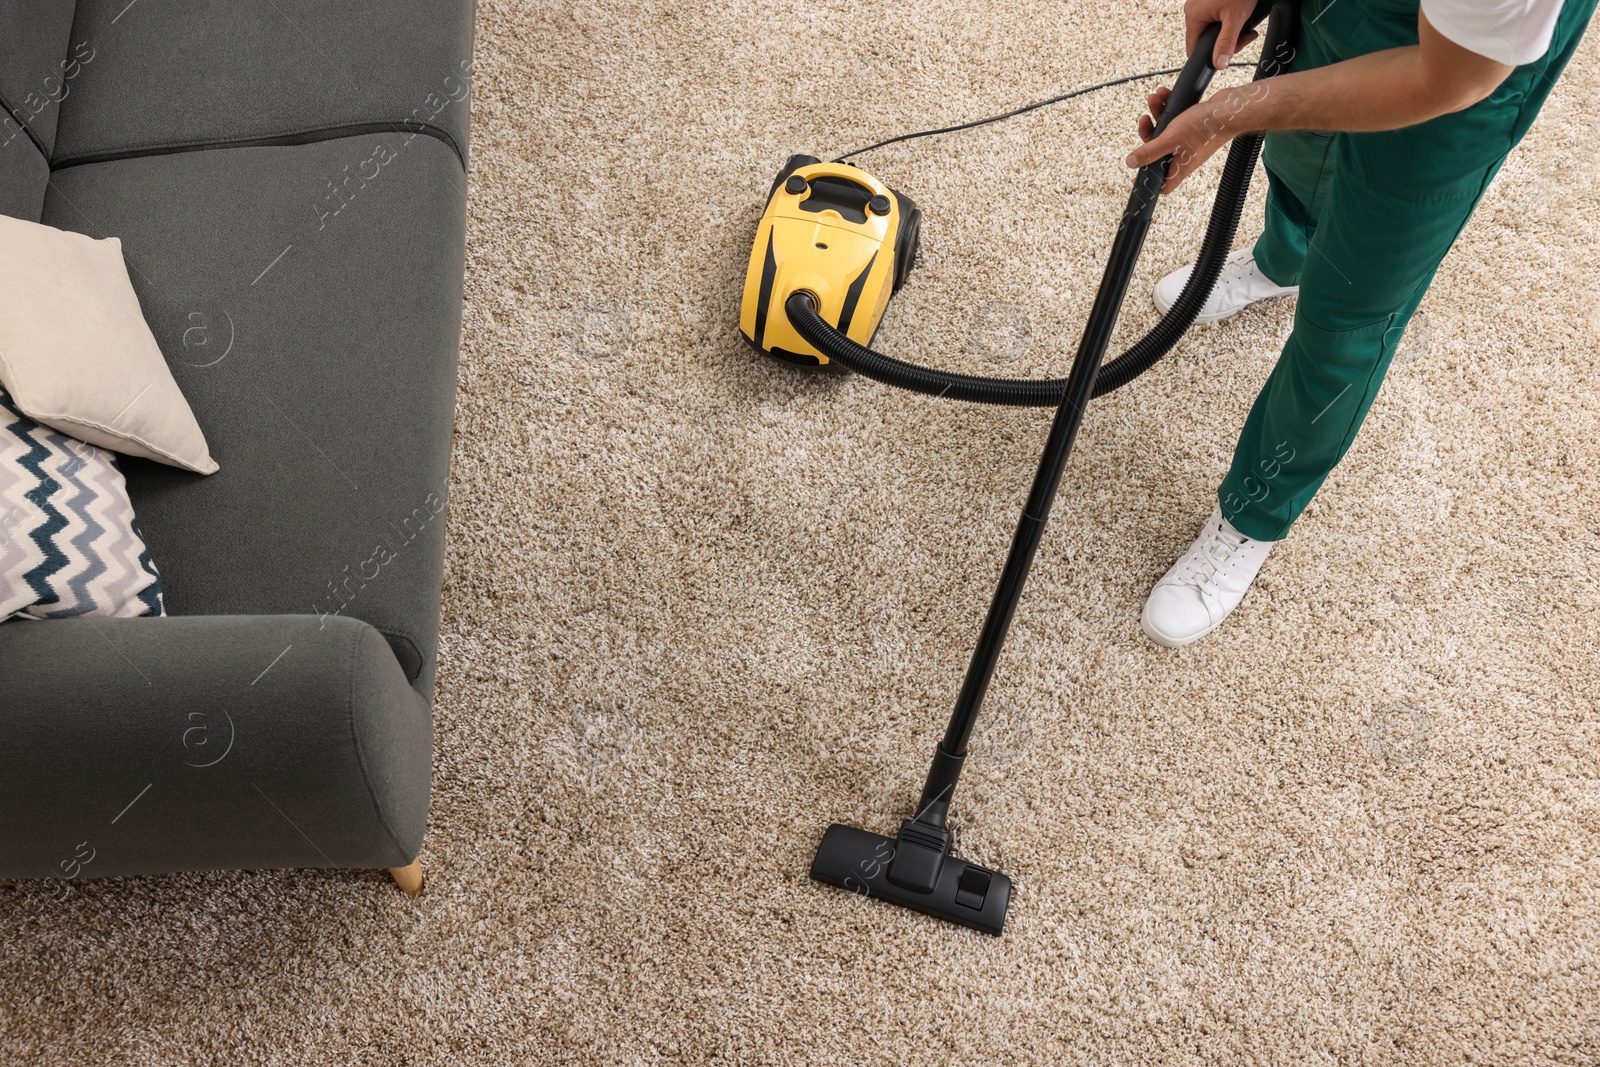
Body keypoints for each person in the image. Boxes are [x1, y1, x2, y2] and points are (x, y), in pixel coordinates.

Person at [1125, 0, 1594, 647]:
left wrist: (1229, 113)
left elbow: (1444, 79)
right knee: (1299, 152)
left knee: (1352, 306)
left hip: (1464, 64)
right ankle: (1280, 262)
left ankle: (1253, 514)